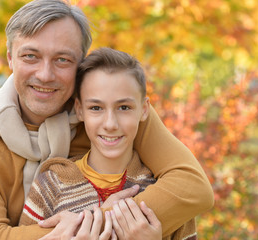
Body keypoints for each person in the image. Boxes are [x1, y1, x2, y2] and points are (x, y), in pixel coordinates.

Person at [0, 0, 214, 239]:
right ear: (10, 58)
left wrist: (102, 221)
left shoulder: (111, 111)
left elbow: (191, 187)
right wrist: (99, 222)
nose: (45, 74)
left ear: (80, 65)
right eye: (30, 56)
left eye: (62, 59)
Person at [19, 47, 197, 240]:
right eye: (96, 108)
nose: (110, 124)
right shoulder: (50, 186)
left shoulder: (166, 192)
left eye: (124, 107)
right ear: (79, 110)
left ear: (144, 109)